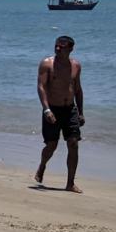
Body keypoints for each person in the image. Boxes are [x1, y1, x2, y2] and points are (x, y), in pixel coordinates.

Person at [35, 35, 86, 193]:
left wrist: (81, 112)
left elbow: (77, 89)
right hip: (53, 109)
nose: (57, 49)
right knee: (52, 145)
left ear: (70, 49)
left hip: (70, 109)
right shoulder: (47, 64)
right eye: (56, 46)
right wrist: (46, 109)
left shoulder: (76, 66)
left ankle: (70, 183)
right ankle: (42, 165)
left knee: (73, 143)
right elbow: (41, 87)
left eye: (61, 47)